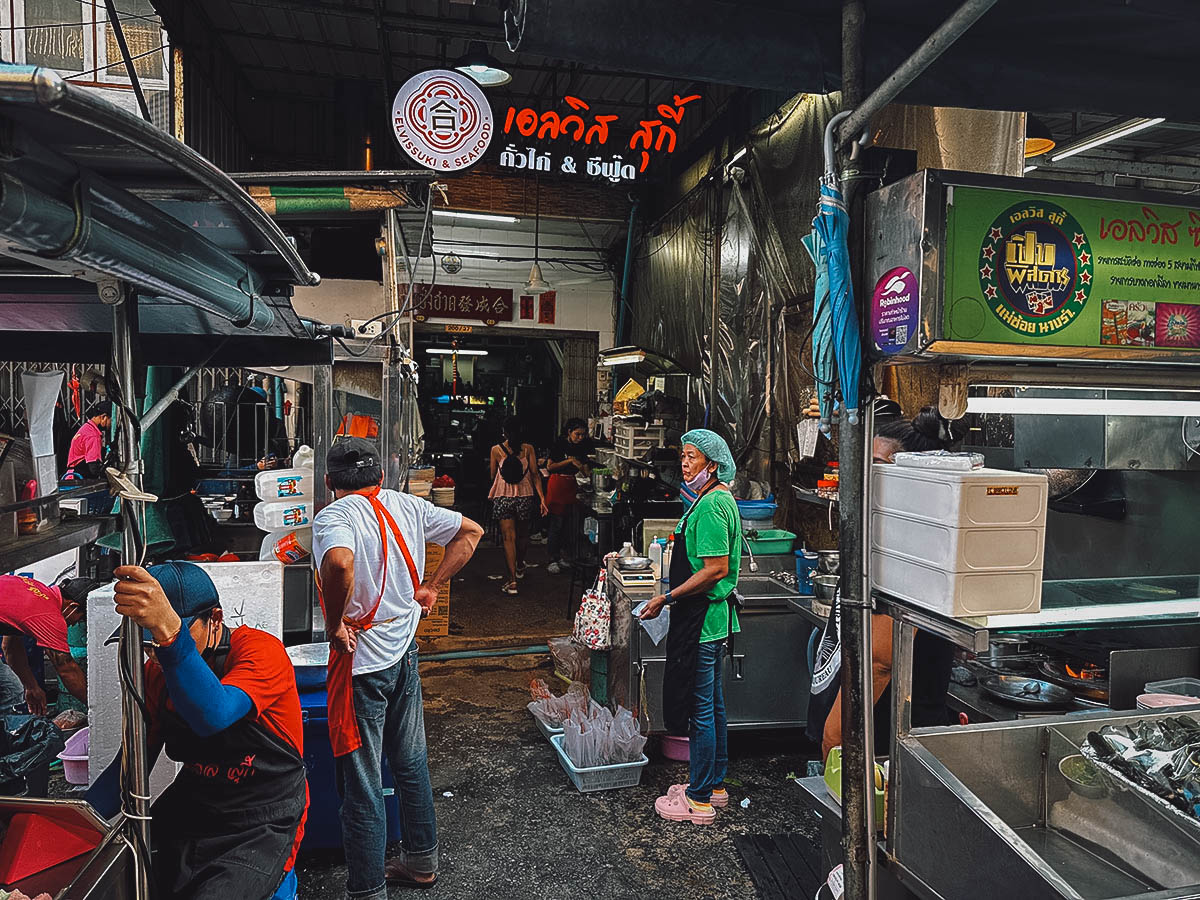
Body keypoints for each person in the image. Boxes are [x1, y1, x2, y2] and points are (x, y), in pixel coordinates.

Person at [313, 436, 482, 897]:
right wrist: (432, 585)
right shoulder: (408, 506)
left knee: (363, 783)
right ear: (381, 476)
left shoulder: (334, 516)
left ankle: (367, 890)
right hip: (402, 649)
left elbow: (341, 564)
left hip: (362, 664)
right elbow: (472, 532)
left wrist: (333, 625)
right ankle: (421, 861)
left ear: (329, 482)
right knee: (411, 761)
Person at [88, 561, 308, 900]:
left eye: (162, 639)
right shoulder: (157, 673)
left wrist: (171, 638)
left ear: (216, 618)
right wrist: (72, 822)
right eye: (148, 643)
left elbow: (213, 714)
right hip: (197, 806)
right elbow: (131, 769)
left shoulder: (260, 652)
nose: (155, 653)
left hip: (261, 819)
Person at [819, 406, 960, 759]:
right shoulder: (890, 531)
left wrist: (834, 735)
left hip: (888, 735)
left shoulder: (913, 545)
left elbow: (881, 662)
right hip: (883, 724)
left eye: (879, 467)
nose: (865, 477)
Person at [639, 429, 741, 826]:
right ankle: (715, 785)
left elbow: (715, 569)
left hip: (703, 621)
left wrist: (668, 597)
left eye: (693, 457)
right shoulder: (708, 498)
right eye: (683, 456)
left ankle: (698, 798)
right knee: (712, 708)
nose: (685, 463)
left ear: (712, 465)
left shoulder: (714, 504)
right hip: (708, 622)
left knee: (701, 711)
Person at [0, 574, 94, 714]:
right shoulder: (50, 616)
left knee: (12, 690)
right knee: (11, 695)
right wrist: (98, 708)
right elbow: (67, 669)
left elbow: (10, 647)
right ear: (73, 606)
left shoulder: (37, 589)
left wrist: (31, 686)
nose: (75, 623)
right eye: (80, 619)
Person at [487, 417, 548, 595]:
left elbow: (492, 475)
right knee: (523, 535)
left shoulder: (496, 450)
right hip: (525, 496)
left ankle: (512, 581)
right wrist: (542, 499)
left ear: (504, 432)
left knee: (508, 538)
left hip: (503, 496)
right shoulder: (528, 449)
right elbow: (536, 474)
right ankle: (520, 564)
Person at [545, 418, 594, 575]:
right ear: (569, 432)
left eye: (582, 435)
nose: (580, 438)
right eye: (577, 434)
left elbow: (586, 469)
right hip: (557, 484)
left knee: (569, 525)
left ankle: (566, 557)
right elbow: (550, 466)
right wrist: (569, 461)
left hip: (572, 486)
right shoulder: (559, 444)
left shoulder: (583, 446)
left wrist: (586, 470)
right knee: (556, 524)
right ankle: (553, 558)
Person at [64, 404, 110, 480]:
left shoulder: (86, 428)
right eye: (110, 420)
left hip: (71, 474)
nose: (110, 425)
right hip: (79, 478)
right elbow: (93, 467)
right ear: (103, 417)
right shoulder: (93, 436)